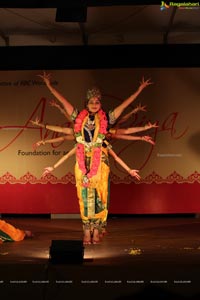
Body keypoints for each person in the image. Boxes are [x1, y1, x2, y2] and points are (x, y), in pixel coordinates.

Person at [38, 71, 153, 244]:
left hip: (101, 163)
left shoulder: (106, 118)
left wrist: (139, 90)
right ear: (86, 103)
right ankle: (86, 230)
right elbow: (63, 101)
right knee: (84, 195)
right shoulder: (78, 117)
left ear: (100, 104)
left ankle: (97, 229)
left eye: (97, 101)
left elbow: (124, 105)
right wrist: (48, 85)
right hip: (82, 159)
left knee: (100, 196)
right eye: (91, 101)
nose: (94, 104)